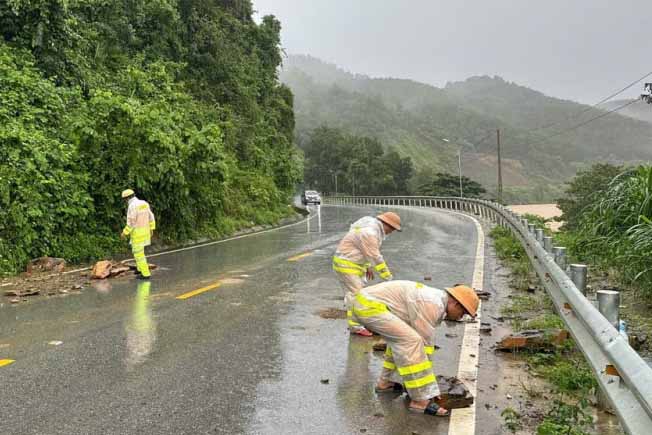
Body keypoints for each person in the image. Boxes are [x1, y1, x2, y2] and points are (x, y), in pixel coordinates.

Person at [351, 280, 479, 417]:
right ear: (456, 304)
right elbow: (424, 347)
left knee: (401, 340)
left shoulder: (436, 301)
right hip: (369, 307)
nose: (461, 317)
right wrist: (428, 390)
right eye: (463, 312)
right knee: (412, 341)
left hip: (366, 303)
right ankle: (419, 401)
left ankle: (384, 382)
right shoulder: (433, 306)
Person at [333, 212, 401, 336]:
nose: (392, 232)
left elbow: (363, 248)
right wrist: (388, 278)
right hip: (347, 264)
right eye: (392, 228)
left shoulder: (371, 225)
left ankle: (360, 321)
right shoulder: (370, 233)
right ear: (386, 224)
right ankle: (356, 327)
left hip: (352, 263)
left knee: (356, 295)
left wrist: (367, 266)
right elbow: (375, 257)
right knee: (357, 296)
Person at [120, 189, 156, 280]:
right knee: (138, 252)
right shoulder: (144, 203)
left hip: (137, 234)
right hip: (145, 232)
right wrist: (152, 228)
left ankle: (145, 274)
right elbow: (151, 217)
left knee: (139, 255)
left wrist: (125, 232)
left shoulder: (132, 206)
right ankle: (140, 269)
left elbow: (131, 222)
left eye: (124, 199)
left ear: (127, 198)